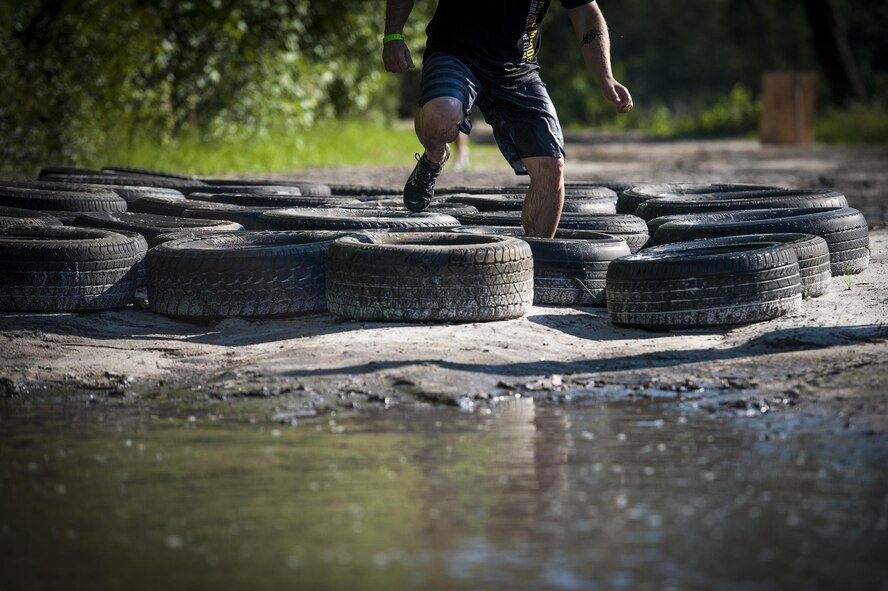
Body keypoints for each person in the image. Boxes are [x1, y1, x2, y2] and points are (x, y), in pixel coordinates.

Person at [382, 0, 633, 237]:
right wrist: (393, 36)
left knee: (551, 166)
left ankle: (536, 265)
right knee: (442, 114)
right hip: (454, 53)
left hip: (517, 69)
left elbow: (587, 13)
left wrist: (606, 77)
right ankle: (434, 157)